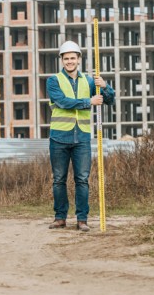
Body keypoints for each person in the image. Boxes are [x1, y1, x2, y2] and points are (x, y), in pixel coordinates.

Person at [47, 40, 115, 232]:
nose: (69, 61)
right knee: (59, 179)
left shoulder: (89, 81)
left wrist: (105, 86)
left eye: (72, 58)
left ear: (79, 59)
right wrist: (88, 101)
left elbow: (109, 100)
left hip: (82, 138)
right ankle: (60, 218)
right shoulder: (53, 81)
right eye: (66, 58)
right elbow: (63, 102)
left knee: (82, 180)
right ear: (62, 60)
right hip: (59, 138)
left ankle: (82, 219)